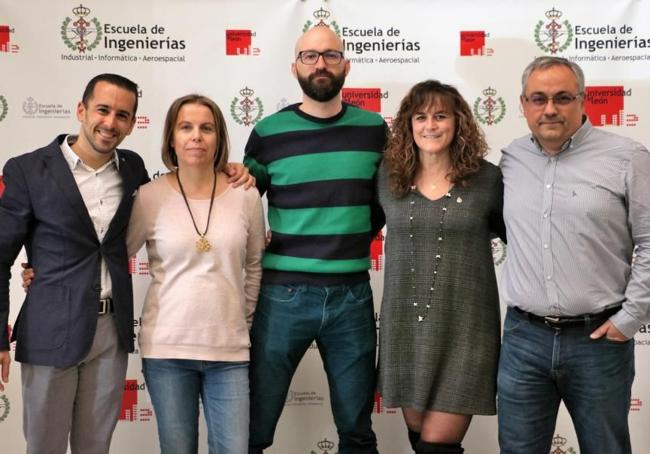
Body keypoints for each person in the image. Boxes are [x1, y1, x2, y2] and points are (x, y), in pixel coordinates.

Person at [243, 25, 387, 454]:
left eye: (330, 55)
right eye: (309, 55)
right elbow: (242, 206)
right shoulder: (269, 133)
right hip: (282, 296)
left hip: (352, 297)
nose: (320, 63)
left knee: (357, 431)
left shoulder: (375, 130)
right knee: (254, 425)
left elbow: (384, 204)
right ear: (294, 67)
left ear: (346, 64)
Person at [498, 56, 650, 454]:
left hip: (598, 341)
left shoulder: (627, 157)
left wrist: (631, 318)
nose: (550, 109)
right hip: (523, 340)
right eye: (539, 98)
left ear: (583, 100)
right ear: (523, 104)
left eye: (563, 97)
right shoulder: (511, 159)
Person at [0, 73, 148, 454]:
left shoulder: (133, 169)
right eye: (102, 110)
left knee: (95, 447)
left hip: (111, 334)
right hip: (50, 328)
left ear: (132, 123)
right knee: (45, 447)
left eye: (122, 115)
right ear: (81, 110)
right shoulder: (27, 170)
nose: (110, 123)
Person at [127, 94, 265, 453]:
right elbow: (111, 256)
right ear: (171, 138)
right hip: (166, 350)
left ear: (219, 137)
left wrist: (241, 321)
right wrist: (43, 269)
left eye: (207, 128)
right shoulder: (148, 196)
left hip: (229, 352)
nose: (196, 137)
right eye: (185, 127)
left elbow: (253, 267)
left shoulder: (246, 196)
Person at [376, 80, 505, 454]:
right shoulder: (387, 177)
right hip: (405, 332)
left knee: (436, 445)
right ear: (408, 124)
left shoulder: (488, 179)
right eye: (421, 117)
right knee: (420, 441)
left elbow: (524, 238)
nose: (430, 125)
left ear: (459, 122)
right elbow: (353, 225)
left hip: (466, 333)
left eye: (441, 116)